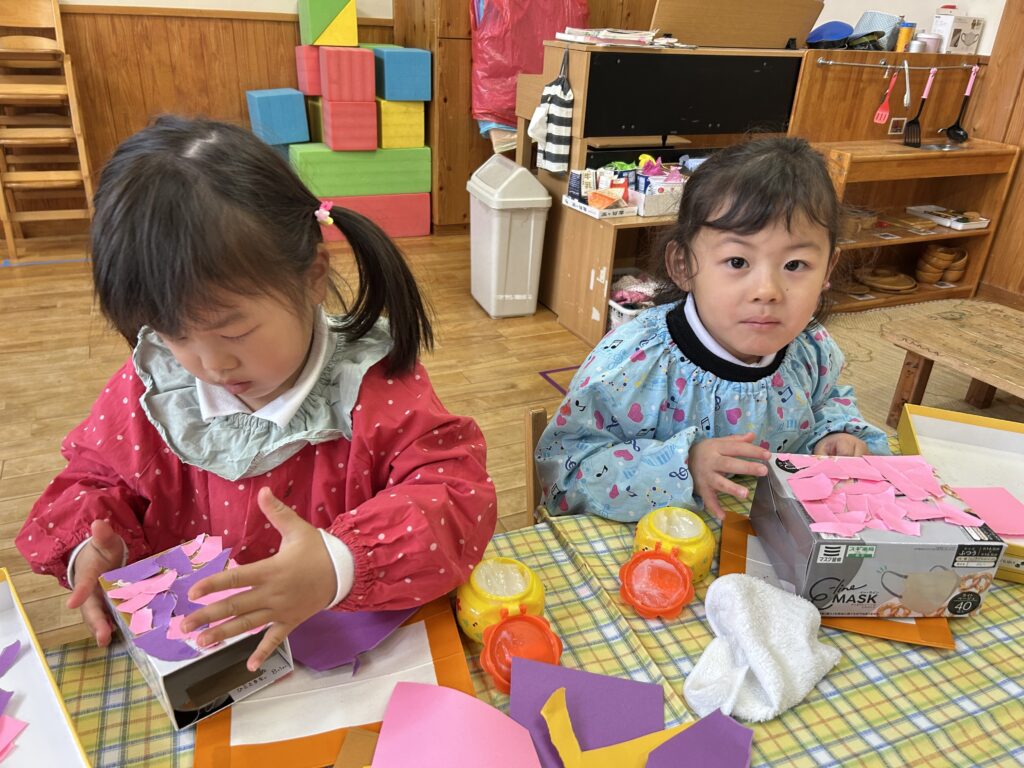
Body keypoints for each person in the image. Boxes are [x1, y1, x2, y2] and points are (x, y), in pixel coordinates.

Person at [16, 116, 496, 671]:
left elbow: (455, 496)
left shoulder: (373, 387)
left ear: (313, 277)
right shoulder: (155, 389)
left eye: (234, 331)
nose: (210, 365)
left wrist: (339, 563)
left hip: (353, 653)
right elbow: (94, 476)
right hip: (208, 661)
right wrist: (96, 549)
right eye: (175, 335)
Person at [536, 137, 889, 522]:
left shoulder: (811, 349)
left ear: (827, 270)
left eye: (795, 265)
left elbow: (827, 401)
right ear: (683, 265)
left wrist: (836, 435)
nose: (767, 291)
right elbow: (564, 476)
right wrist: (682, 464)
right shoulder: (631, 364)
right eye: (737, 261)